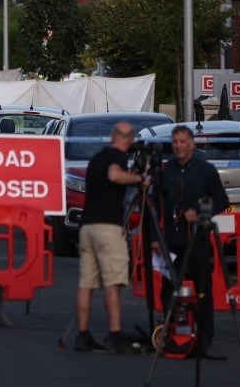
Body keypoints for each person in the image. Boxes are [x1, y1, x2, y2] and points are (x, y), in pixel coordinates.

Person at [75, 121, 148, 354]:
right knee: (112, 283)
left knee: (86, 284)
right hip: (108, 227)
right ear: (132, 140)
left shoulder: (96, 158)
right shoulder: (117, 157)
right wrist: (139, 179)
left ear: (111, 135)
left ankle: (83, 334)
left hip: (87, 226)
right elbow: (115, 176)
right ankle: (115, 334)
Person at [156, 125, 229, 355]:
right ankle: (169, 330)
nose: (178, 146)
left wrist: (199, 214)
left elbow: (221, 200)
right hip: (172, 240)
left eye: (183, 142)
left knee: (203, 288)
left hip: (197, 239)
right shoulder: (165, 171)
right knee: (168, 288)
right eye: (175, 142)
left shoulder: (205, 170)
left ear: (192, 144)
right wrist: (153, 238)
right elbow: (155, 204)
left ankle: (205, 335)